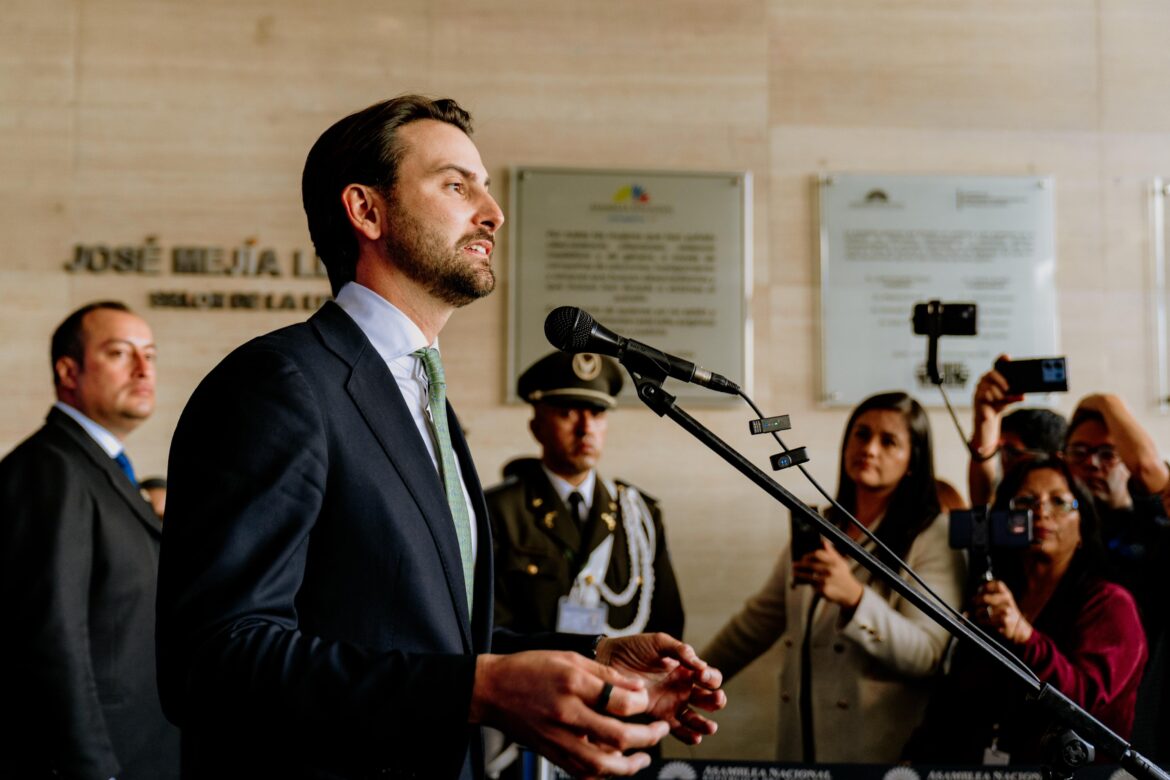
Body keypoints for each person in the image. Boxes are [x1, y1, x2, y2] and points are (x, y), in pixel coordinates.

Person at [156, 95, 724, 780]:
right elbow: (212, 661)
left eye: (483, 186)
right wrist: (476, 691)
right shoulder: (279, 385)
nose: (494, 211)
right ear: (367, 211)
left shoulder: (420, 392)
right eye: (457, 185)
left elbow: (423, 633)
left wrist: (593, 658)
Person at [701, 391, 965, 762]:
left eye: (888, 441)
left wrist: (856, 599)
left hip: (878, 756)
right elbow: (757, 622)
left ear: (912, 460)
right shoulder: (821, 526)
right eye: (862, 434)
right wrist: (695, 677)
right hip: (801, 749)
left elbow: (927, 655)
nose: (869, 449)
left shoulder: (933, 535)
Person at [0, 301, 179, 779]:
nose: (143, 370)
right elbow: (52, 641)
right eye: (120, 353)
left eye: (150, 355)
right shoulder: (49, 471)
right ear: (68, 371)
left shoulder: (99, 467)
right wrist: (93, 769)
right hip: (105, 760)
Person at [904, 458, 1148, 763]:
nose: (1041, 511)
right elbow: (956, 701)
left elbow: (1085, 704)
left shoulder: (1110, 603)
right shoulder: (997, 596)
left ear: (1083, 528)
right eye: (1025, 501)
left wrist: (1025, 636)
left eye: (1059, 502)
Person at [488, 350, 684, 639]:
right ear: (536, 427)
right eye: (567, 413)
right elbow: (491, 626)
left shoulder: (640, 513)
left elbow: (667, 624)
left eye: (597, 413)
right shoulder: (499, 511)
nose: (586, 428)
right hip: (535, 668)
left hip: (625, 669)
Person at [967, 357, 1068, 506]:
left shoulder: (1082, 511)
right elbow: (982, 504)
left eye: (1010, 453)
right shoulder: (1004, 507)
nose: (1001, 463)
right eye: (999, 451)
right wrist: (986, 422)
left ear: (1055, 461)